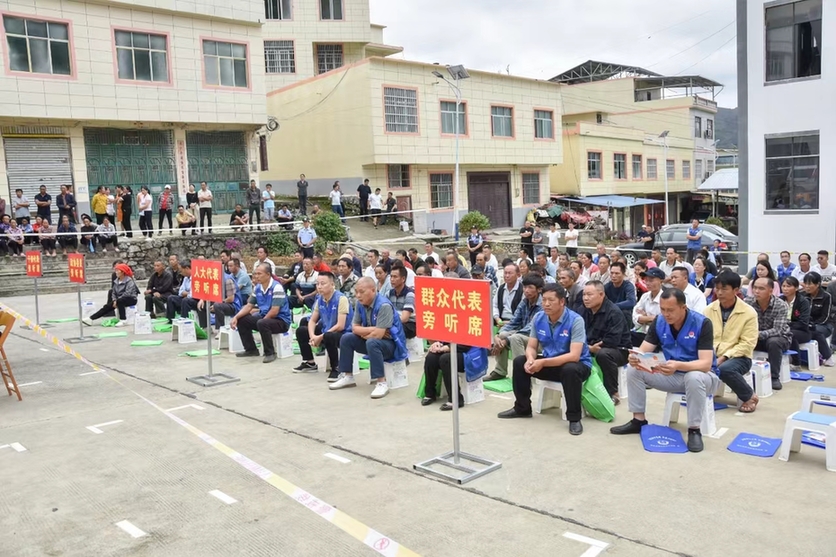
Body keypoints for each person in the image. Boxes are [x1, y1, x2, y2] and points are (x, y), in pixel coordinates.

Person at [610, 289, 719, 453]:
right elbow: (644, 350)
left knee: (694, 377)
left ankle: (694, 429)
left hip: (704, 378)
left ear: (683, 307)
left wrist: (677, 365)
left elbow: (705, 364)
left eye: (671, 310)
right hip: (672, 375)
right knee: (634, 369)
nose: (666, 314)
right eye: (663, 309)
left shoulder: (702, 323)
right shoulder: (659, 322)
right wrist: (635, 358)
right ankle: (638, 420)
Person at [496, 283, 591, 435]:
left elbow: (574, 355)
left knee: (570, 369)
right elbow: (532, 346)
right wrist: (530, 359)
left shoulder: (575, 320)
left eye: (551, 300)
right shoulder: (539, 318)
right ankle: (522, 408)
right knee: (520, 361)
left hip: (577, 365)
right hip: (550, 362)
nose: (546, 304)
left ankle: (574, 418)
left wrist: (542, 362)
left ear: (562, 302)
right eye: (544, 300)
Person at [330, 277, 408, 398]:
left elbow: (378, 336)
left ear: (373, 290)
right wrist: (373, 329)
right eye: (356, 292)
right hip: (372, 341)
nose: (358, 295)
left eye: (362, 291)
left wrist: (366, 332)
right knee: (346, 338)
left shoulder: (384, 305)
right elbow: (355, 328)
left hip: (391, 346)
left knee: (372, 342)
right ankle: (348, 376)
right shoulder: (360, 303)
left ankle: (381, 382)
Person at [704, 270, 760, 412]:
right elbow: (703, 337)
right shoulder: (709, 309)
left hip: (739, 357)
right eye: (717, 288)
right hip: (712, 354)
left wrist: (725, 356)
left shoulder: (748, 312)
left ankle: (749, 396)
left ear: (736, 290)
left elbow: (747, 344)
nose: (719, 292)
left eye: (724, 289)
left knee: (725, 369)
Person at [294, 271, 353, 380]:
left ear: (332, 284)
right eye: (317, 284)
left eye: (323, 283)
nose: (319, 287)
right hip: (327, 330)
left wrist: (319, 337)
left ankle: (336, 368)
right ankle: (309, 362)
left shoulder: (341, 299)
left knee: (328, 336)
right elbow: (312, 320)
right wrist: (312, 336)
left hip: (343, 334)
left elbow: (340, 325)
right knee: (301, 331)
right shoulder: (320, 299)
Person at [230, 262, 292, 363]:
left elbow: (274, 311)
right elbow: (249, 306)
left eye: (259, 274)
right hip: (265, 318)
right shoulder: (258, 288)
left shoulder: (277, 287)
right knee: (242, 320)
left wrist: (261, 321)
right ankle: (251, 349)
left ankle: (270, 353)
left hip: (281, 321)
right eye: (255, 274)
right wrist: (236, 317)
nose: (256, 276)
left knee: (262, 323)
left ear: (268, 274)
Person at [486, 274, 544, 382]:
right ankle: (500, 371)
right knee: (503, 335)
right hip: (525, 336)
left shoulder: (543, 305)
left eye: (530, 287)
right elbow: (514, 321)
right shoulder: (524, 302)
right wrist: (499, 335)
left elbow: (530, 328)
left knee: (514, 338)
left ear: (539, 290)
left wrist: (506, 340)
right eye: (525, 287)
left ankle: (522, 375)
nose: (526, 290)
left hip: (540, 341)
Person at [580, 280, 631, 404]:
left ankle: (613, 393)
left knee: (603, 354)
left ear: (601, 294)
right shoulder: (583, 310)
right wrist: (588, 347)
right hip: (592, 346)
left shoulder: (614, 312)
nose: (586, 298)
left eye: (589, 295)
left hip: (619, 350)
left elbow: (612, 340)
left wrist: (589, 347)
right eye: (584, 294)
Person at [745, 276, 792, 390]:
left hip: (780, 338)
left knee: (773, 342)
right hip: (755, 337)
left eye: (761, 288)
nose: (756, 291)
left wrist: (757, 334)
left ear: (770, 291)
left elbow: (778, 330)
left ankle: (774, 377)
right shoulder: (747, 302)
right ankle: (741, 374)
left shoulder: (780, 305)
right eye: (755, 288)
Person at [421, 341, 473, 410]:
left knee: (446, 359)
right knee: (431, 357)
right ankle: (430, 393)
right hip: (451, 348)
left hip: (469, 353)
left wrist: (448, 347)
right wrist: (438, 343)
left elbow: (468, 344)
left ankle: (456, 399)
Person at [802, 272, 835, 367]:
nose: (807, 286)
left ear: (818, 284)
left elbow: (826, 316)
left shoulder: (826, 296)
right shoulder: (802, 295)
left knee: (816, 331)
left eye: (810, 284)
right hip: (805, 324)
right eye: (805, 283)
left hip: (824, 325)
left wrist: (813, 325)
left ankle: (828, 357)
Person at [165, 261, 208, 329]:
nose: (180, 272)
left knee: (185, 300)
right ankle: (170, 320)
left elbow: (194, 294)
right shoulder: (185, 278)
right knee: (171, 298)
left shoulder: (197, 277)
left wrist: (187, 294)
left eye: (182, 270)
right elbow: (180, 291)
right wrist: (187, 293)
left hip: (196, 300)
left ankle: (184, 321)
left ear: (187, 268)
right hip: (187, 297)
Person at [780, 276, 811, 370]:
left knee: (790, 334)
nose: (785, 289)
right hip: (782, 328)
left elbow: (803, 322)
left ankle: (796, 363)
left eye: (788, 286)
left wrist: (787, 325)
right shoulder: (779, 300)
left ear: (796, 288)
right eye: (783, 286)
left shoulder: (803, 302)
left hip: (802, 331)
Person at [632, 267, 665, 347]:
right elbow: (635, 316)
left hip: (659, 337)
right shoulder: (645, 296)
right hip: (643, 333)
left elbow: (663, 321)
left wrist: (645, 316)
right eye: (646, 280)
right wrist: (650, 318)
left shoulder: (665, 298)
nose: (647, 283)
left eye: (651, 280)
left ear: (661, 281)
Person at [212, 260, 243, 331]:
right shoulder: (214, 279)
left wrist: (217, 303)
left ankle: (220, 329)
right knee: (204, 304)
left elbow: (231, 299)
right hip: (221, 302)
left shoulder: (227, 280)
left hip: (233, 305)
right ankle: (205, 327)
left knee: (217, 305)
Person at [387, 265, 416, 339]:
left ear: (403, 279)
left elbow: (404, 318)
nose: (392, 279)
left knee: (392, 329)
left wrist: (386, 323)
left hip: (409, 325)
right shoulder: (389, 293)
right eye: (391, 276)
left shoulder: (410, 294)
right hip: (393, 322)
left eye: (395, 277)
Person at [604, 261, 636, 326]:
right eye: (612, 273)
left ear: (623, 274)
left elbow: (631, 301)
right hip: (610, 313)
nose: (613, 276)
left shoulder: (628, 286)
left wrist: (613, 306)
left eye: (617, 273)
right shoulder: (607, 286)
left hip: (624, 316)